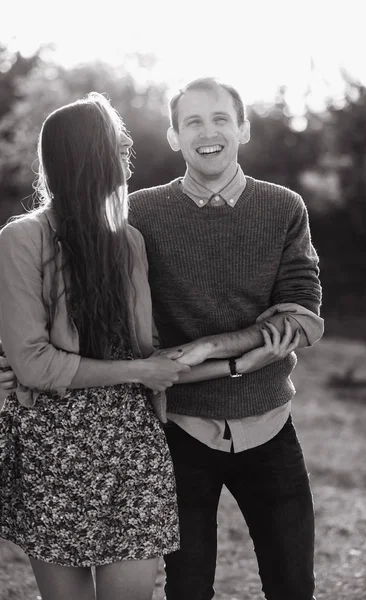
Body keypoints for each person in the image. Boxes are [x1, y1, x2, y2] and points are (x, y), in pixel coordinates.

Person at [1, 77, 323, 600]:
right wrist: (21, 361)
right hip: (130, 433)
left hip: (212, 428)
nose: (208, 131)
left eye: (220, 118)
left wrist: (220, 355)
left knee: (291, 582)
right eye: (192, 121)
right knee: (185, 586)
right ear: (173, 137)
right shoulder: (124, 221)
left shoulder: (276, 209)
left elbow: (300, 315)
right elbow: (74, 339)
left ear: (242, 127)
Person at [0, 92, 193, 600]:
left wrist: (246, 343)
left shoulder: (129, 241)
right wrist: (138, 372)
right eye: (115, 136)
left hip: (132, 443)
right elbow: (33, 362)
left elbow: (145, 346)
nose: (128, 143)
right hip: (54, 445)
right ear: (87, 153)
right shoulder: (24, 239)